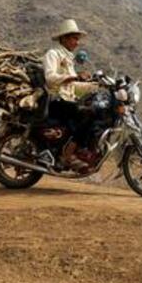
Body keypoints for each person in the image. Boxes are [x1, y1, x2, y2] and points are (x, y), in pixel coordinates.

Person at [42, 19, 98, 171]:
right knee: (87, 114)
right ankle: (67, 155)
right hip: (55, 100)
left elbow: (73, 86)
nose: (77, 42)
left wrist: (95, 86)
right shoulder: (53, 54)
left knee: (96, 111)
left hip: (67, 100)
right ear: (64, 38)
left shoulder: (69, 58)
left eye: (77, 39)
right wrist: (74, 77)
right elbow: (50, 78)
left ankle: (82, 150)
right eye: (74, 38)